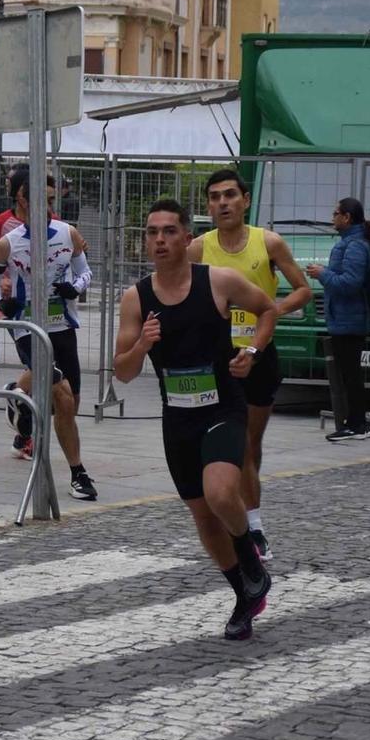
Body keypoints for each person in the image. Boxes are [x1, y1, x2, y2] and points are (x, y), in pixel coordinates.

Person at [114, 198, 282, 640]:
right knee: (204, 519)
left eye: (169, 231)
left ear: (188, 239)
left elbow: (268, 309)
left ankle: (251, 562)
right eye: (152, 232)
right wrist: (143, 346)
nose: (160, 240)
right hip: (178, 419)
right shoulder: (137, 298)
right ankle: (245, 593)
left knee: (221, 492)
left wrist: (251, 352)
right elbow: (122, 372)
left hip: (223, 407)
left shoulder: (219, 281)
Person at [189, 168, 312, 562]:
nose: (222, 203)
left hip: (258, 357)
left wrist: (270, 310)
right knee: (226, 445)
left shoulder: (268, 242)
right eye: (214, 197)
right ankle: (242, 520)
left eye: (229, 195)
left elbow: (304, 289)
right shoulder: (198, 248)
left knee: (247, 446)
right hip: (215, 360)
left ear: (245, 199)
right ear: (208, 205)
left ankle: (251, 524)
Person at [0, 170, 98, 501]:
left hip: (63, 325)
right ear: (23, 199)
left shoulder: (69, 234)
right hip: (28, 328)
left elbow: (86, 272)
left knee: (71, 403)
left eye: (52, 199)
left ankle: (20, 405)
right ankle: (79, 474)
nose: (50, 205)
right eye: (43, 199)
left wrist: (73, 288)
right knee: (61, 394)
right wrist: (2, 302)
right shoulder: (9, 243)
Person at [305, 196, 370, 443]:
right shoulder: (351, 242)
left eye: (336, 213)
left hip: (350, 321)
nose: (332, 218)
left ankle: (357, 424)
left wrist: (322, 274)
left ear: (346, 217)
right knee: (348, 374)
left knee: (351, 375)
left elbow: (350, 283)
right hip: (345, 319)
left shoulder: (355, 246)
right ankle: (355, 422)